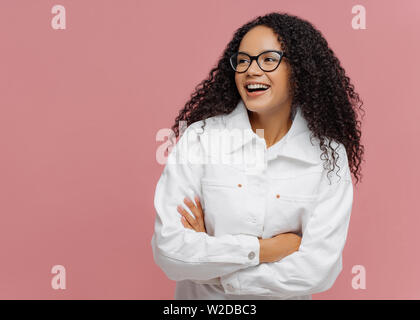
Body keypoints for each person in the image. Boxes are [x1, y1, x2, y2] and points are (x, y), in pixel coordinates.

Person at [151, 12, 364, 300]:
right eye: (243, 60)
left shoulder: (329, 156)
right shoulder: (200, 139)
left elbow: (318, 269)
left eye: (268, 59)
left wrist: (213, 261)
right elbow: (170, 251)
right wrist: (268, 250)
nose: (251, 70)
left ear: (299, 69)